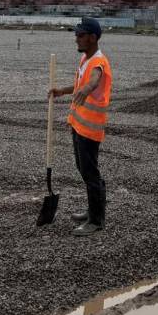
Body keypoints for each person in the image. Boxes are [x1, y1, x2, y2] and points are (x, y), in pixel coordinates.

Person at [49, 17, 113, 236]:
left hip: (90, 128)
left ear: (92, 38)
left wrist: (87, 89)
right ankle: (93, 210)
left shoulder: (98, 62)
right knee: (85, 170)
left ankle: (96, 220)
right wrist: (62, 91)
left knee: (90, 172)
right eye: (76, 34)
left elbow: (94, 80)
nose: (76, 39)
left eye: (80, 35)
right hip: (79, 125)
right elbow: (80, 85)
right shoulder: (86, 59)